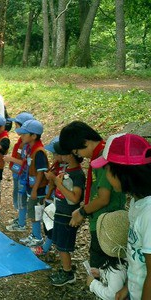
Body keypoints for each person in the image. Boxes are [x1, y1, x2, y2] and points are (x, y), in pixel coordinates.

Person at [91, 133, 151, 300]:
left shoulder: (148, 214)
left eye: (107, 170)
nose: (107, 177)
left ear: (122, 172)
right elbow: (138, 258)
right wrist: (128, 286)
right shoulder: (136, 202)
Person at [59, 121, 126, 268]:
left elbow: (103, 198)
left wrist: (82, 211)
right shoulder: (99, 156)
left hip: (107, 223)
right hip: (102, 219)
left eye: (77, 152)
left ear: (85, 142)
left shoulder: (103, 159)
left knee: (103, 269)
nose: (79, 156)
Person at [46, 142, 86, 286]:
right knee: (60, 244)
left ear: (69, 155)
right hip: (60, 211)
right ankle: (65, 267)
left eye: (61, 153)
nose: (58, 156)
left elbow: (75, 197)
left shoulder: (77, 174)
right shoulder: (67, 169)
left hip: (68, 215)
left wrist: (58, 183)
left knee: (63, 246)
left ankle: (68, 273)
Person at [17, 119, 49, 247]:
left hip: (38, 189)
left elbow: (41, 173)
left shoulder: (39, 152)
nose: (21, 136)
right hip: (31, 186)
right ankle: (34, 234)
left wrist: (35, 190)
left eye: (25, 134)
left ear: (34, 136)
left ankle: (37, 237)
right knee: (32, 213)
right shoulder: (30, 148)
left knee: (35, 213)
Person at [3, 112, 35, 231]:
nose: (15, 128)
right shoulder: (21, 141)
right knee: (18, 195)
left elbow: (26, 163)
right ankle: (20, 218)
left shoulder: (28, 145)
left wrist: (11, 159)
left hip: (23, 175)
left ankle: (21, 224)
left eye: (17, 126)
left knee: (21, 198)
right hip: (17, 173)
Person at [87, 210, 128, 300]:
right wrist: (102, 273)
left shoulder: (116, 269)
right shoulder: (125, 259)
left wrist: (93, 284)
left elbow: (112, 295)